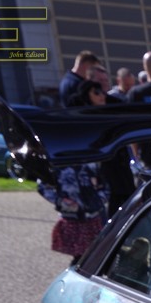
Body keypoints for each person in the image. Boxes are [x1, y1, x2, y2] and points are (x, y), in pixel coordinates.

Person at [41, 80, 110, 263]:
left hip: (94, 214)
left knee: (96, 256)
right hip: (73, 216)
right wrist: (62, 202)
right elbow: (43, 184)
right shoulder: (59, 157)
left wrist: (100, 198)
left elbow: (102, 180)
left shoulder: (91, 154)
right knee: (82, 260)